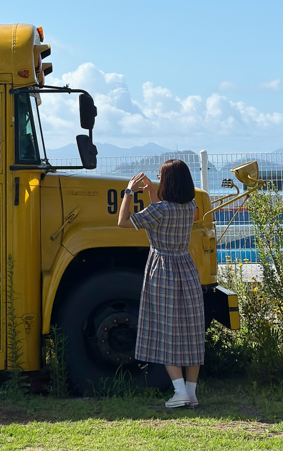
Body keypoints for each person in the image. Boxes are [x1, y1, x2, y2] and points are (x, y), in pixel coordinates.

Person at [117, 159, 204, 409]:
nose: (157, 178)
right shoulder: (190, 207)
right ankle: (191, 393)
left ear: (168, 181)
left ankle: (178, 392)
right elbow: (163, 210)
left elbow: (123, 221)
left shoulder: (160, 211)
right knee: (190, 330)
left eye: (160, 176)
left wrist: (129, 192)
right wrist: (152, 193)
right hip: (185, 268)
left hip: (163, 270)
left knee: (166, 330)